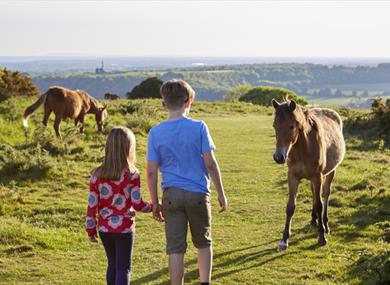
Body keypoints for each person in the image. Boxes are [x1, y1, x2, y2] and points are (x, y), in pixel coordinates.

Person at [146, 79, 228, 285]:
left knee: (175, 248)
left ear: (164, 104)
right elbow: (210, 164)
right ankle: (205, 282)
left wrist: (155, 202)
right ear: (188, 102)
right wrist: (221, 193)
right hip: (198, 194)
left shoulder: (155, 132)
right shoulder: (199, 127)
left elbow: (150, 172)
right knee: (203, 243)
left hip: (171, 195)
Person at [85, 126, 152, 285]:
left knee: (112, 265)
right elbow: (137, 204)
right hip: (125, 229)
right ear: (129, 148)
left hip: (104, 229)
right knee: (124, 268)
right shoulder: (132, 174)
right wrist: (153, 206)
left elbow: (91, 206)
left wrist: (90, 228)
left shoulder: (96, 175)